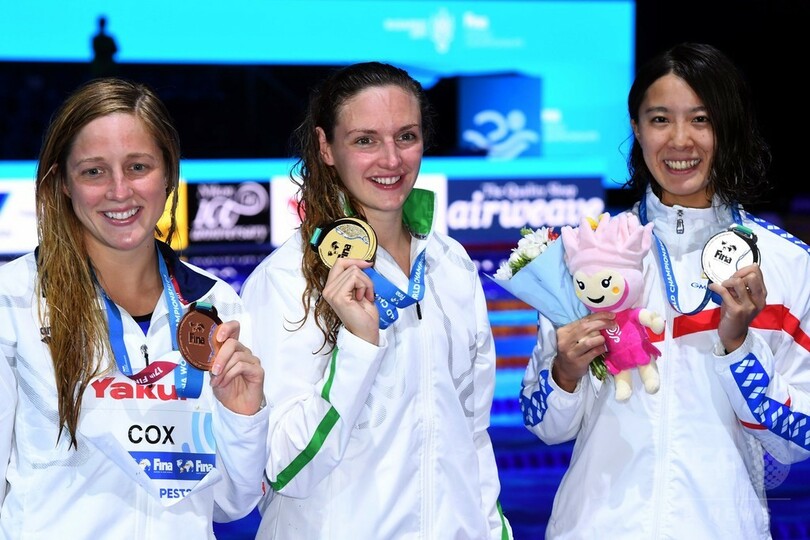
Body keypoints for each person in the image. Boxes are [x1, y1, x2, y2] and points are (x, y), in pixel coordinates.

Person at [520, 42, 810, 539]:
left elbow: (797, 440)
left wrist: (739, 347)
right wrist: (565, 370)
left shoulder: (786, 263)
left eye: (701, 120)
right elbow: (544, 424)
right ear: (636, 128)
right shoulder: (587, 252)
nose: (679, 140)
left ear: (729, 127)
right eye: (660, 120)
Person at [241, 61, 512, 539]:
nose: (391, 160)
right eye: (365, 140)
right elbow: (282, 468)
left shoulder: (451, 263)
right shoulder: (286, 279)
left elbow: (472, 436)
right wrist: (358, 348)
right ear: (326, 147)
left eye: (406, 137)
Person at [0, 78, 269, 538]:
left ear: (168, 174)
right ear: (63, 183)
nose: (120, 190)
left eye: (138, 166)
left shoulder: (216, 305)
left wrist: (244, 416)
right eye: (94, 172)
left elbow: (230, 503)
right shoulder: (13, 299)